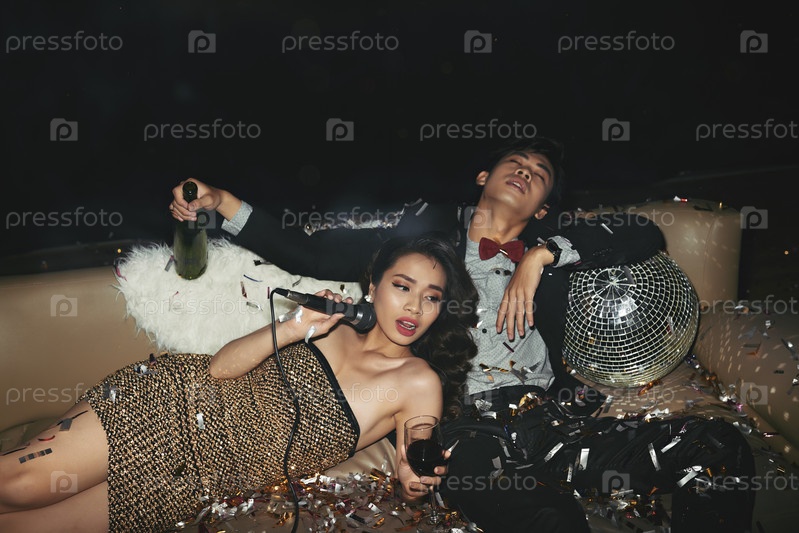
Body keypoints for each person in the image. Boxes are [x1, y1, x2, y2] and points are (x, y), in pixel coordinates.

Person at [165, 137, 755, 531]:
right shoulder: (422, 244)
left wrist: (543, 255)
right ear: (483, 176)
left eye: (540, 174)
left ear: (544, 207)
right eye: (515, 163)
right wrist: (222, 203)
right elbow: (308, 252)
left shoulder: (554, 251)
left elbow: (644, 234)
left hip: (553, 423)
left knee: (718, 446)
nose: (526, 172)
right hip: (465, 430)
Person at [0, 233, 479, 533]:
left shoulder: (418, 381)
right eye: (402, 286)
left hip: (197, 481)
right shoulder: (330, 325)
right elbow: (219, 369)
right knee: (16, 484)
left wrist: (415, 483)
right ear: (373, 287)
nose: (414, 306)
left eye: (431, 297)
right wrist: (292, 327)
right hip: (169, 404)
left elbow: (416, 466)